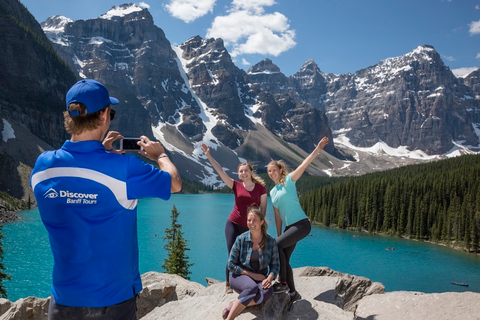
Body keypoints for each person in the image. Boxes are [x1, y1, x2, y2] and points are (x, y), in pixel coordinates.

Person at [30, 79, 182, 320]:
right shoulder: (124, 169)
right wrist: (160, 154)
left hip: (62, 302)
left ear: (71, 117)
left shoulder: (42, 167)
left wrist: (100, 151)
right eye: (110, 112)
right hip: (113, 303)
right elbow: (174, 183)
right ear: (103, 116)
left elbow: (79, 173)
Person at [267, 137, 329, 303]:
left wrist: (317, 149)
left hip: (302, 225)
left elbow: (304, 164)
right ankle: (294, 293)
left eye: (273, 170)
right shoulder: (272, 193)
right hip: (289, 229)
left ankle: (282, 282)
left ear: (280, 170)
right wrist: (279, 236)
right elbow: (278, 216)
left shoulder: (289, 180)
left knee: (277, 246)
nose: (271, 173)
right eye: (269, 171)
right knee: (284, 257)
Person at [201, 143, 267, 293]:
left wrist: (261, 226)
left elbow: (263, 208)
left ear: (251, 171)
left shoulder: (260, 188)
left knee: (248, 256)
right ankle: (228, 284)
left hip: (249, 227)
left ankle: (246, 281)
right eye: (240, 171)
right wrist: (209, 155)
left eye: (245, 170)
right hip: (233, 223)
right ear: (239, 174)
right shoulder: (236, 185)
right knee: (232, 254)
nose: (243, 173)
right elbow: (220, 171)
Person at [222, 206, 279, 319]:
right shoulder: (241, 239)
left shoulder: (271, 241)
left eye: (255, 220)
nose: (251, 223)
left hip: (259, 279)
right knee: (252, 288)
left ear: (262, 222)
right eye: (249, 220)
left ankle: (235, 304)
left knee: (268, 292)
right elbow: (231, 265)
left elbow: (275, 265)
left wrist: (269, 278)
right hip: (238, 276)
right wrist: (253, 275)